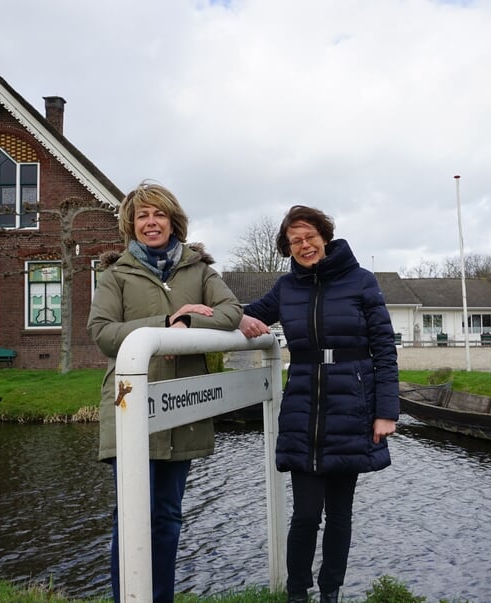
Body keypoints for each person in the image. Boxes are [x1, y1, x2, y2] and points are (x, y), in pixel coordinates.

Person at [87, 180, 243, 603]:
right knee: (132, 517)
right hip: (131, 407)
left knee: (168, 516)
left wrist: (190, 325)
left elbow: (231, 313)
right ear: (130, 225)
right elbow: (101, 334)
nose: (151, 222)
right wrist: (167, 320)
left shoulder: (200, 271)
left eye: (159, 214)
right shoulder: (115, 274)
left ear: (174, 222)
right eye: (142, 216)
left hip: (182, 408)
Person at [239, 205, 399, 603]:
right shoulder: (286, 288)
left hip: (352, 407)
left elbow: (384, 349)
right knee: (306, 514)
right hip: (303, 409)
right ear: (288, 247)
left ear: (325, 236)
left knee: (339, 515)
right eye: (295, 241)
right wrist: (218, 316)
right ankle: (297, 594)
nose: (304, 245)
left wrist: (385, 412)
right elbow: (248, 314)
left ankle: (331, 593)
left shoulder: (361, 281)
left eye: (310, 236)